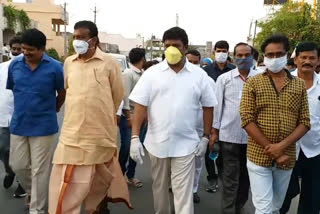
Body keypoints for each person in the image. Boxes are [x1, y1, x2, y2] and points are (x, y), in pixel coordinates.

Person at [129, 27, 217, 214]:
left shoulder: (199, 75)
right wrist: (135, 137)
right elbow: (140, 107)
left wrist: (205, 136)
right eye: (167, 45)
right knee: (159, 189)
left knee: (183, 193)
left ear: (185, 47)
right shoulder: (152, 74)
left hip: (186, 144)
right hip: (157, 143)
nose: (171, 49)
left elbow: (208, 106)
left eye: (175, 45)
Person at [48, 20, 131, 214]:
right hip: (72, 133)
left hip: (99, 133)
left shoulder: (109, 63)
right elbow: (68, 90)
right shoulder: (69, 62)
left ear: (93, 40)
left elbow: (117, 95)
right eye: (75, 37)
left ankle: (98, 208)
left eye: (81, 37)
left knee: (98, 179)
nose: (77, 41)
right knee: (67, 182)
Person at [240, 34, 310, 214]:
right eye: (269, 55)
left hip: (286, 158)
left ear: (287, 55)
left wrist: (281, 147)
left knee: (276, 207)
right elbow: (247, 119)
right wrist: (272, 149)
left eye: (279, 54)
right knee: (263, 208)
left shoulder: (299, 85)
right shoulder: (253, 83)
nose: (274, 58)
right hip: (258, 155)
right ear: (263, 56)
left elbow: (304, 121)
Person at [6, 29, 65, 214]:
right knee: (18, 165)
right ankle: (35, 191)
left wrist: (54, 108)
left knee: (39, 170)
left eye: (30, 49)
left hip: (43, 125)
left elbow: (62, 93)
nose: (26, 53)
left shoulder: (55, 67)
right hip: (19, 124)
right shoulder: (14, 65)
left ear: (42, 49)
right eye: (23, 49)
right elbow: (13, 89)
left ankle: (37, 209)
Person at [210, 43, 259, 214]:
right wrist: (214, 132)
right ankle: (228, 210)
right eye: (239, 55)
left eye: (247, 55)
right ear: (234, 56)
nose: (243, 58)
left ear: (253, 56)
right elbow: (217, 108)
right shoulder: (224, 79)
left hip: (254, 139)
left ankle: (240, 207)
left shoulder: (261, 78)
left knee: (246, 178)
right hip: (229, 136)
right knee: (230, 179)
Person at [280, 41, 320, 214]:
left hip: (315, 150)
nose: (307, 61)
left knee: (312, 199)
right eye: (303, 57)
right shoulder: (282, 82)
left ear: (318, 61)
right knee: (282, 196)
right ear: (295, 60)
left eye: (312, 58)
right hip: (286, 149)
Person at [203, 40, 235, 193]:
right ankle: (212, 178)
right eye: (219, 50)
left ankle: (224, 178)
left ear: (228, 52)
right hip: (210, 115)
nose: (221, 53)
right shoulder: (206, 71)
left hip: (228, 116)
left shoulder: (234, 70)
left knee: (226, 151)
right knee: (210, 148)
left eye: (224, 51)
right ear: (214, 52)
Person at [186, 49, 216, 204]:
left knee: (197, 162)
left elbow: (213, 106)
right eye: (188, 61)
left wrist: (210, 131)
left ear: (200, 63)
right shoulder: (177, 79)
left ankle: (193, 190)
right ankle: (175, 186)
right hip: (180, 128)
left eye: (195, 62)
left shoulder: (207, 81)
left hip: (199, 128)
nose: (192, 64)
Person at [0, 36, 26, 198]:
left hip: (23, 117)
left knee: (23, 153)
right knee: (3, 149)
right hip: (3, 116)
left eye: (19, 49)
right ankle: (10, 171)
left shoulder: (29, 67)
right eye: (13, 48)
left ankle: (23, 184)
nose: (16, 51)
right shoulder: (2, 67)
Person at [119, 47, 146, 188]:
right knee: (126, 147)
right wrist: (129, 118)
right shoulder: (128, 74)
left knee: (136, 147)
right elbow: (124, 97)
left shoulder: (143, 74)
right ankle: (120, 174)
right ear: (143, 59)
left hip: (140, 116)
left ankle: (131, 175)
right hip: (129, 116)